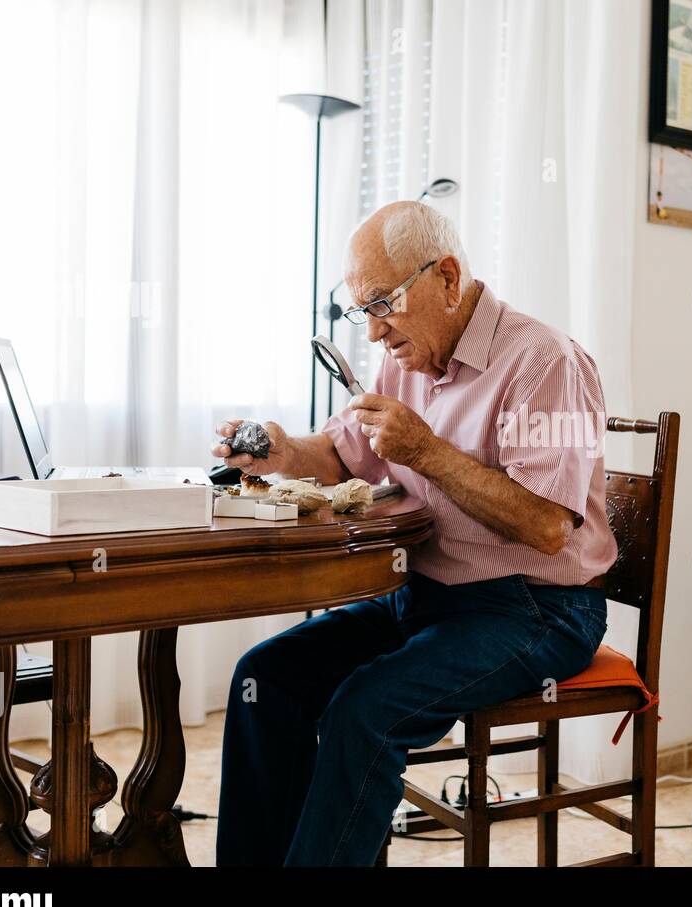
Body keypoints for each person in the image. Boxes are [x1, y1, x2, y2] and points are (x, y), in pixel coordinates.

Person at [213, 200, 617, 866]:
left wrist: (426, 451)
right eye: (361, 313)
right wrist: (282, 451)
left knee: (363, 711)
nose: (374, 335)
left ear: (448, 278)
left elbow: (547, 526)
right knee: (266, 677)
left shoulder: (546, 363)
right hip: (429, 598)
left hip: (538, 611)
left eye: (381, 306)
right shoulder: (408, 356)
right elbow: (346, 453)